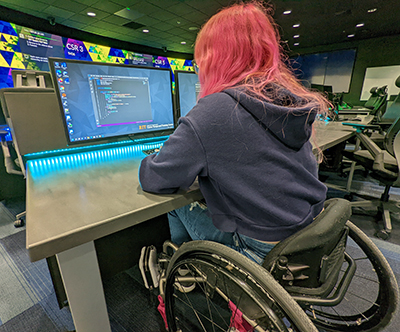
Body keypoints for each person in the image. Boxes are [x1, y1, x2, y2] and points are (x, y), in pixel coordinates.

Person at [139, 1, 328, 264]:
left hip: (259, 250)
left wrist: (151, 159)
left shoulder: (215, 109)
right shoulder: (289, 101)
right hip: (309, 235)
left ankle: (181, 269)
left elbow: (156, 178)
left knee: (178, 204)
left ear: (213, 59)